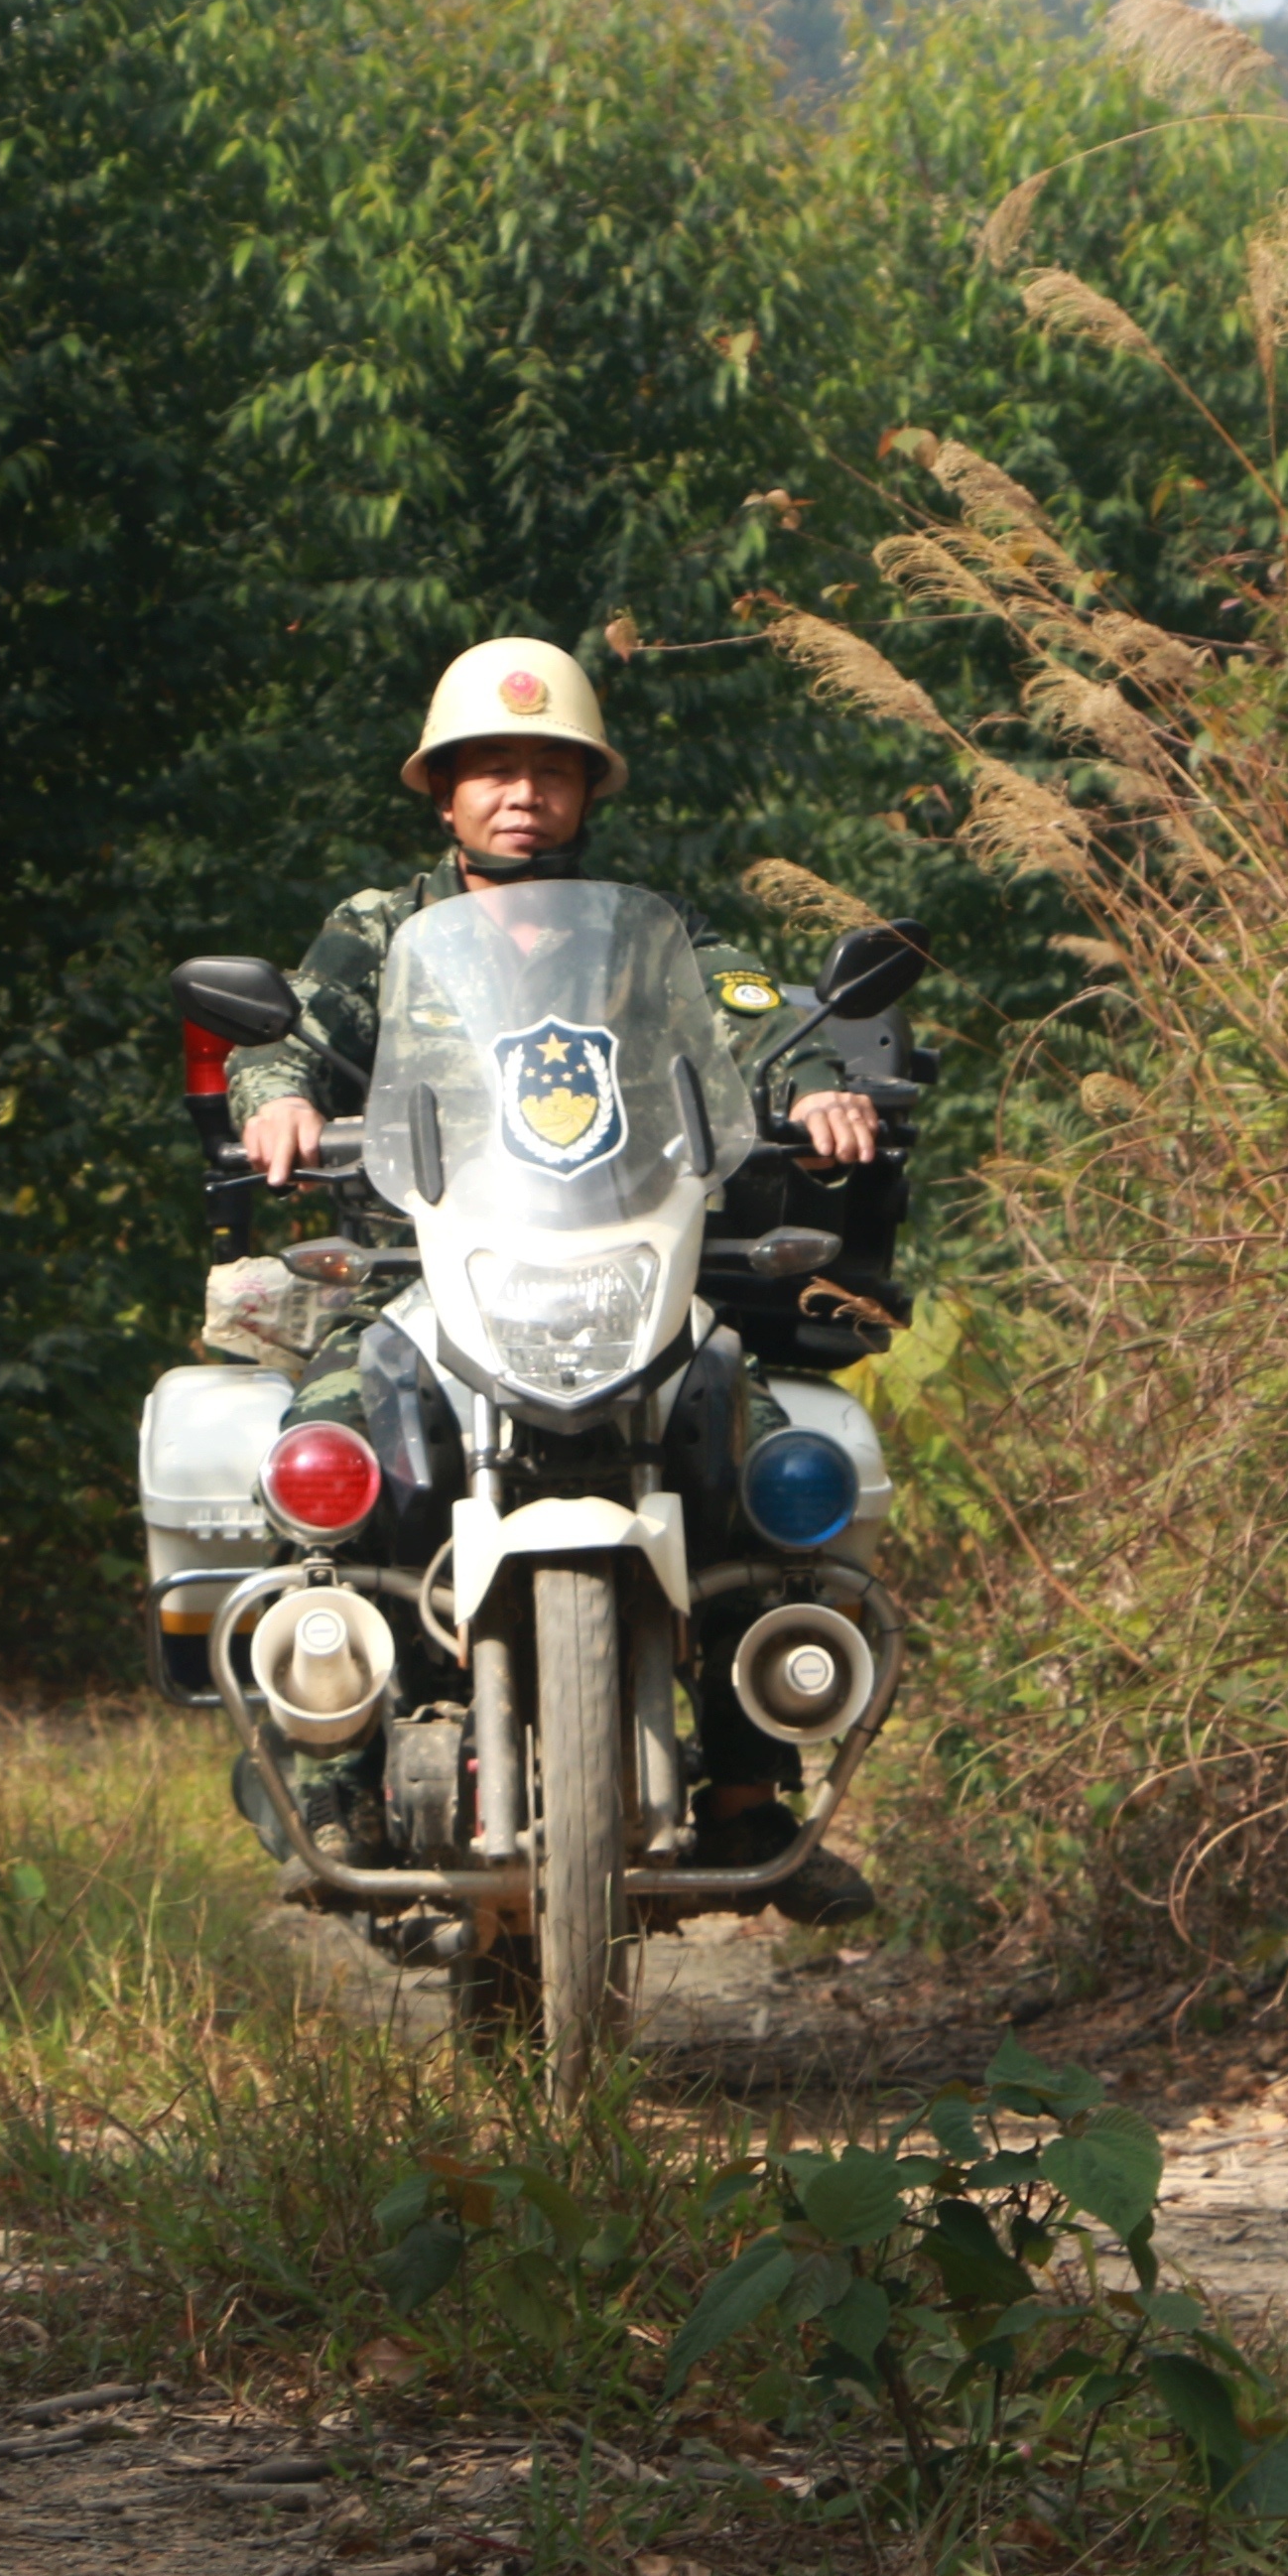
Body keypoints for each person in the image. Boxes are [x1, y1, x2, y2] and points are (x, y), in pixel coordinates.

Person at [221, 636, 882, 1927]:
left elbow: (752, 1012)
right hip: (425, 1266)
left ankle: (753, 1787)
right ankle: (339, 1771)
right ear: (444, 792)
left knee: (750, 1446)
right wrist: (282, 1098)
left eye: (549, 770)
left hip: (620, 1257)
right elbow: (297, 1029)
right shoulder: (379, 925)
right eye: (492, 770)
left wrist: (810, 1083)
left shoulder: (654, 936)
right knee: (323, 1447)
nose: (522, 793)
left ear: (588, 792)